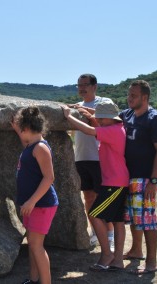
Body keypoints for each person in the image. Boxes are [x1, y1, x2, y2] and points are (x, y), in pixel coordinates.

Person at [62, 101, 129, 271]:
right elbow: (95, 124)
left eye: (102, 118)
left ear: (110, 119)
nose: (99, 120)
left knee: (95, 214)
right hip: (118, 181)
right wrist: (85, 113)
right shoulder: (117, 128)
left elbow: (89, 130)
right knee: (117, 220)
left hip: (114, 183)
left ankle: (107, 254)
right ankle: (118, 260)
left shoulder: (112, 131)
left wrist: (69, 116)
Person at [119, 80, 157, 275]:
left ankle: (151, 262)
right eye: (129, 95)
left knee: (147, 220)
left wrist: (153, 180)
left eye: (134, 96)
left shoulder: (155, 119)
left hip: (145, 179)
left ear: (145, 97)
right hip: (127, 176)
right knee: (134, 217)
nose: (129, 98)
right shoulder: (127, 115)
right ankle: (136, 250)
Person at [11, 106, 59, 284]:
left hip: (41, 204)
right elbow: (26, 143)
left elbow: (49, 178)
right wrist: (18, 130)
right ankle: (33, 279)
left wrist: (31, 201)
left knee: (36, 246)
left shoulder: (40, 148)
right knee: (32, 244)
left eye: (21, 128)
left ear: (27, 128)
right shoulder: (32, 144)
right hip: (33, 204)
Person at [68, 74, 115, 249]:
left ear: (95, 86)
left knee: (103, 198)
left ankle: (110, 235)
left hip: (99, 158)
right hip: (81, 157)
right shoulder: (77, 106)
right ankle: (95, 231)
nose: (81, 88)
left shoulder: (103, 103)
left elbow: (111, 126)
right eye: (78, 85)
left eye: (85, 85)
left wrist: (89, 114)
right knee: (88, 197)